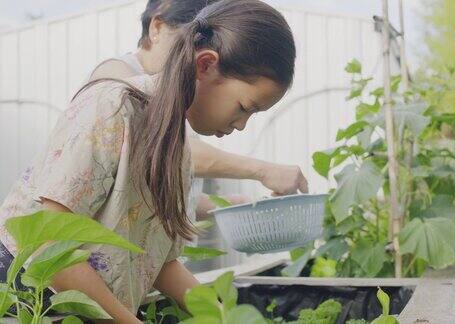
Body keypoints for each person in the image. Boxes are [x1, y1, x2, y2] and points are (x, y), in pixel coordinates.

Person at [0, 0, 298, 322]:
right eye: (244, 107)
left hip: (88, 307)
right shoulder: (113, 106)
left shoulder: (176, 143)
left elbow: (159, 263)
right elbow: (48, 244)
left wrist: (223, 315)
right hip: (26, 298)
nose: (241, 124)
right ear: (205, 65)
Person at [89, 0, 306, 220]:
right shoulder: (117, 82)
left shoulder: (186, 102)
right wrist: (262, 170)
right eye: (186, 40)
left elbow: (167, 197)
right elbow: (161, 145)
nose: (186, 53)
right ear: (157, 27)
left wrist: (238, 205)